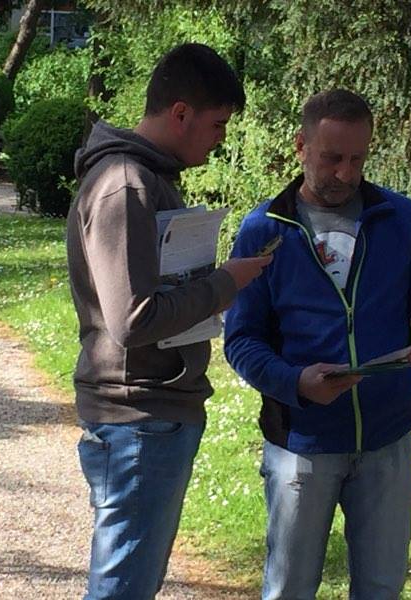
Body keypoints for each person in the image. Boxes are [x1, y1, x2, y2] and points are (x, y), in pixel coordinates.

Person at [224, 89, 411, 599]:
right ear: (301, 146)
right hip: (301, 443)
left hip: (387, 438)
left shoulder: (401, 218)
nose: (345, 173)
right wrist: (295, 382)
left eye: (358, 159)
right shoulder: (264, 230)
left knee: (380, 587)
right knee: (289, 588)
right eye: (332, 157)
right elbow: (241, 339)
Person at [66, 43, 272, 600]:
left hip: (152, 414)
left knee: (132, 583)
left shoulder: (147, 177)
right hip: (138, 417)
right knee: (123, 588)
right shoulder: (126, 184)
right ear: (181, 113)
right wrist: (225, 283)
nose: (220, 139)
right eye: (217, 124)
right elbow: (133, 320)